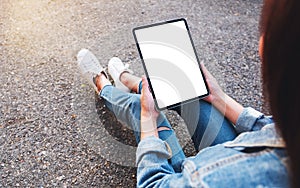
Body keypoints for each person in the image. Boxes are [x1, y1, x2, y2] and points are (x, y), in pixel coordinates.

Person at [76, 0, 299, 187]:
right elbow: (271, 129)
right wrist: (220, 98)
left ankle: (103, 85)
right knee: (191, 95)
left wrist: (147, 121)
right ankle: (129, 80)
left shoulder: (210, 178)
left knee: (140, 107)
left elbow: (153, 184)